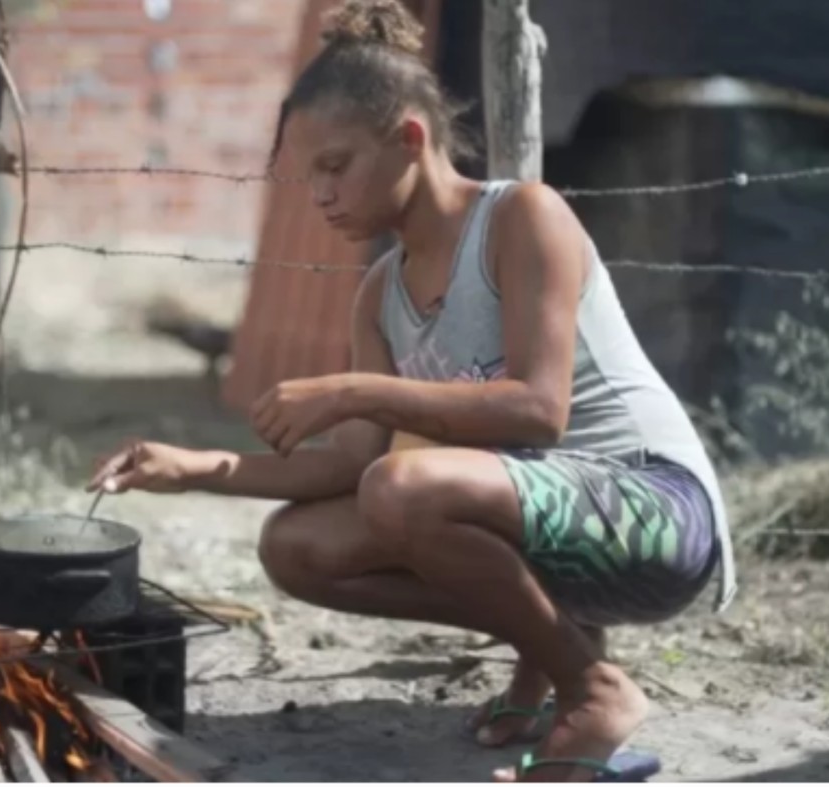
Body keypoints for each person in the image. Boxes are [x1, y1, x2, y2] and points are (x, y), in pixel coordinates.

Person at [88, 0, 737, 780]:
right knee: (298, 546)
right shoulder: (380, 294)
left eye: (336, 166)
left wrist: (356, 389)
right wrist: (193, 467)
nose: (320, 195)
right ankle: (555, 646)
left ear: (409, 138)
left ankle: (589, 686)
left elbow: (539, 409)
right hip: (553, 523)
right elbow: (344, 466)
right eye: (309, 176)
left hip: (657, 515)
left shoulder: (522, 218)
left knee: (403, 487)